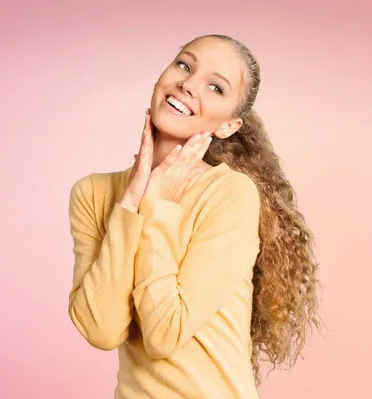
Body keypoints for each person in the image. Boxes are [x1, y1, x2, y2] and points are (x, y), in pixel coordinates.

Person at [67, 34, 322, 398]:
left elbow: (164, 334)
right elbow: (101, 329)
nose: (188, 84)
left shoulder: (230, 194)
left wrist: (158, 206)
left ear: (228, 126)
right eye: (184, 65)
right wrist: (130, 203)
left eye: (215, 87)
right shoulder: (92, 193)